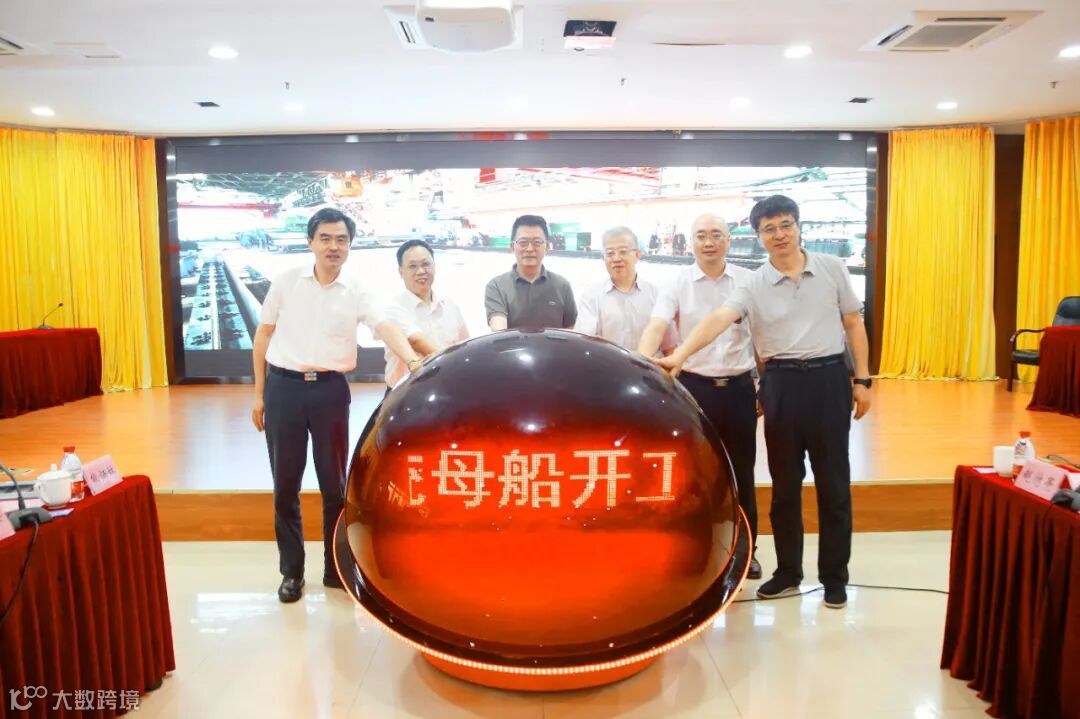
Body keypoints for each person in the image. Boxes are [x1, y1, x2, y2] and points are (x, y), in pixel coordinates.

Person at [658, 195, 872, 609]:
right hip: (781, 385)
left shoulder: (832, 267)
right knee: (784, 485)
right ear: (758, 236)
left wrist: (862, 379)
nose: (779, 234)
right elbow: (718, 320)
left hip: (829, 380)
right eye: (769, 229)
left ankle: (834, 577)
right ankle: (788, 572)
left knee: (834, 484)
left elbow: (852, 322)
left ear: (798, 226)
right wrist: (680, 355)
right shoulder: (752, 284)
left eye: (785, 225)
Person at [251, 207, 422, 604]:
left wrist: (413, 362)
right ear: (310, 242)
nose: (333, 246)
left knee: (333, 487)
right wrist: (258, 394)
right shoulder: (287, 281)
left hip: (330, 392)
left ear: (349, 246)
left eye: (341, 239)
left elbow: (384, 326)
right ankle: (291, 572)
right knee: (285, 486)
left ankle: (334, 569)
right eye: (325, 238)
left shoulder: (357, 289)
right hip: (283, 389)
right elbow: (263, 336)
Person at [638, 213, 762, 579]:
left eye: (716, 235)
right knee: (692, 475)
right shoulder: (676, 282)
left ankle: (747, 552)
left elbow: (762, 336)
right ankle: (693, 551)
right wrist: (641, 361)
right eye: (701, 236)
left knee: (742, 473)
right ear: (690, 241)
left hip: (738, 388)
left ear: (729, 239)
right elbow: (657, 324)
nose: (709, 242)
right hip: (693, 389)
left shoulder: (749, 280)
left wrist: (765, 385)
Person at [382, 239, 469, 390]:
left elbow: (465, 346)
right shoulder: (393, 309)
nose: (421, 271)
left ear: (434, 266)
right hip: (406, 393)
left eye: (426, 264)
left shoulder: (450, 305)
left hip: (447, 388)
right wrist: (453, 368)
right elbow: (417, 341)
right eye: (412, 266)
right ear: (401, 272)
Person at [575, 226, 675, 353]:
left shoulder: (657, 295)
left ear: (637, 255)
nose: (616, 259)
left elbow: (669, 346)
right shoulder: (591, 296)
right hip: (606, 364)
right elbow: (584, 342)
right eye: (610, 253)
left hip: (648, 365)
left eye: (623, 252)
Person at [485, 214, 577, 330]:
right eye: (523, 243)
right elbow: (499, 331)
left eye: (537, 242)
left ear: (547, 247)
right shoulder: (497, 286)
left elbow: (570, 330)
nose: (529, 249)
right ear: (512, 246)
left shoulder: (562, 286)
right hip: (511, 343)